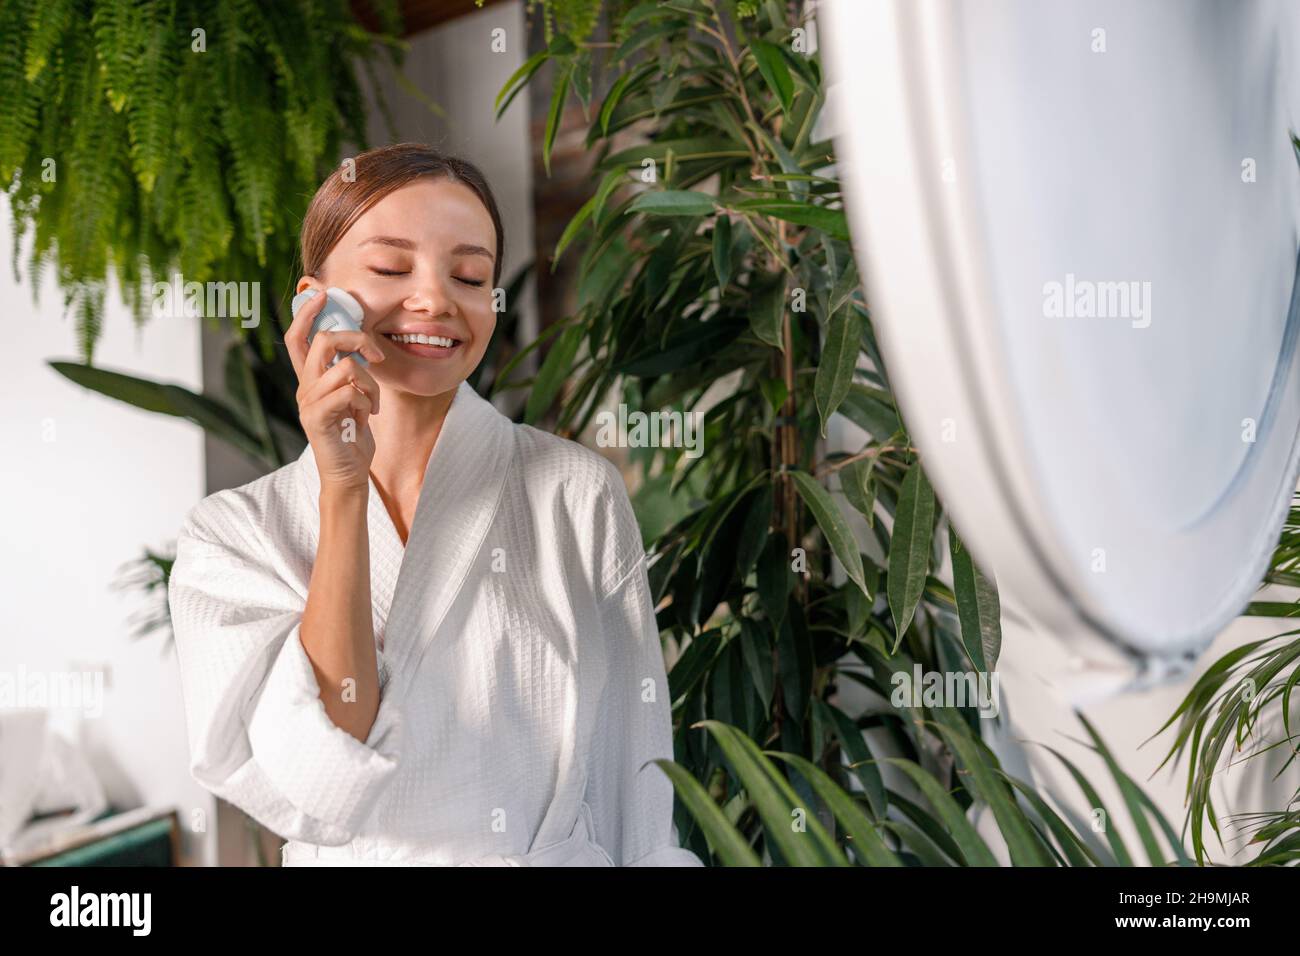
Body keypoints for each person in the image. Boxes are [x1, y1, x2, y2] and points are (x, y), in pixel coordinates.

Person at [167, 143, 703, 867]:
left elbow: (634, 771)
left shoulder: (575, 491)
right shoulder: (232, 537)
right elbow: (324, 769)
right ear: (313, 300)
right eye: (391, 268)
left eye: (470, 275)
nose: (436, 298)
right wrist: (342, 489)